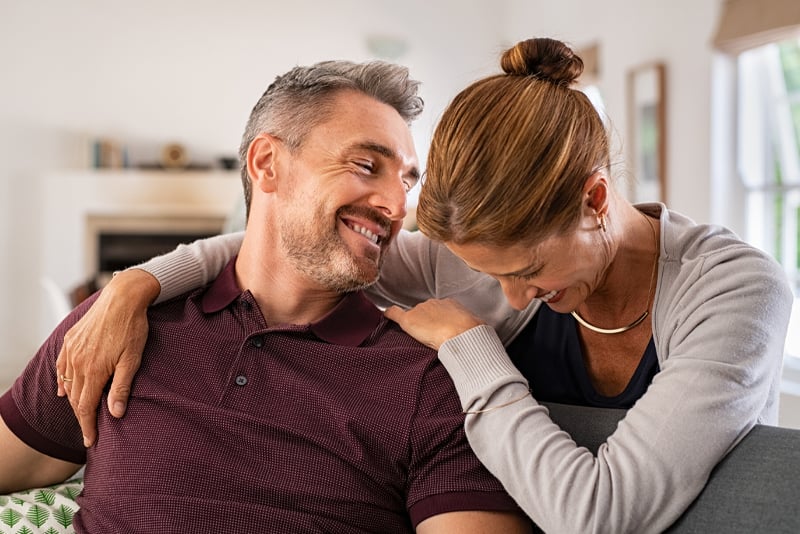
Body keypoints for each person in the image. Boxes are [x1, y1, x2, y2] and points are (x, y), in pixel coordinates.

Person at [55, 38, 792, 533]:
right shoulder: (458, 262)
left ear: (596, 201)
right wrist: (137, 284)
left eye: (529, 271)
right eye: (490, 272)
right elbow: (285, 245)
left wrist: (472, 347)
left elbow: (595, 514)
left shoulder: (734, 292)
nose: (507, 295)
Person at [0, 59, 532, 534]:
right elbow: (17, 460)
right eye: (367, 166)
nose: (396, 205)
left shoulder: (425, 381)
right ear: (266, 164)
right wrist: (130, 288)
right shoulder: (122, 323)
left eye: (406, 182)